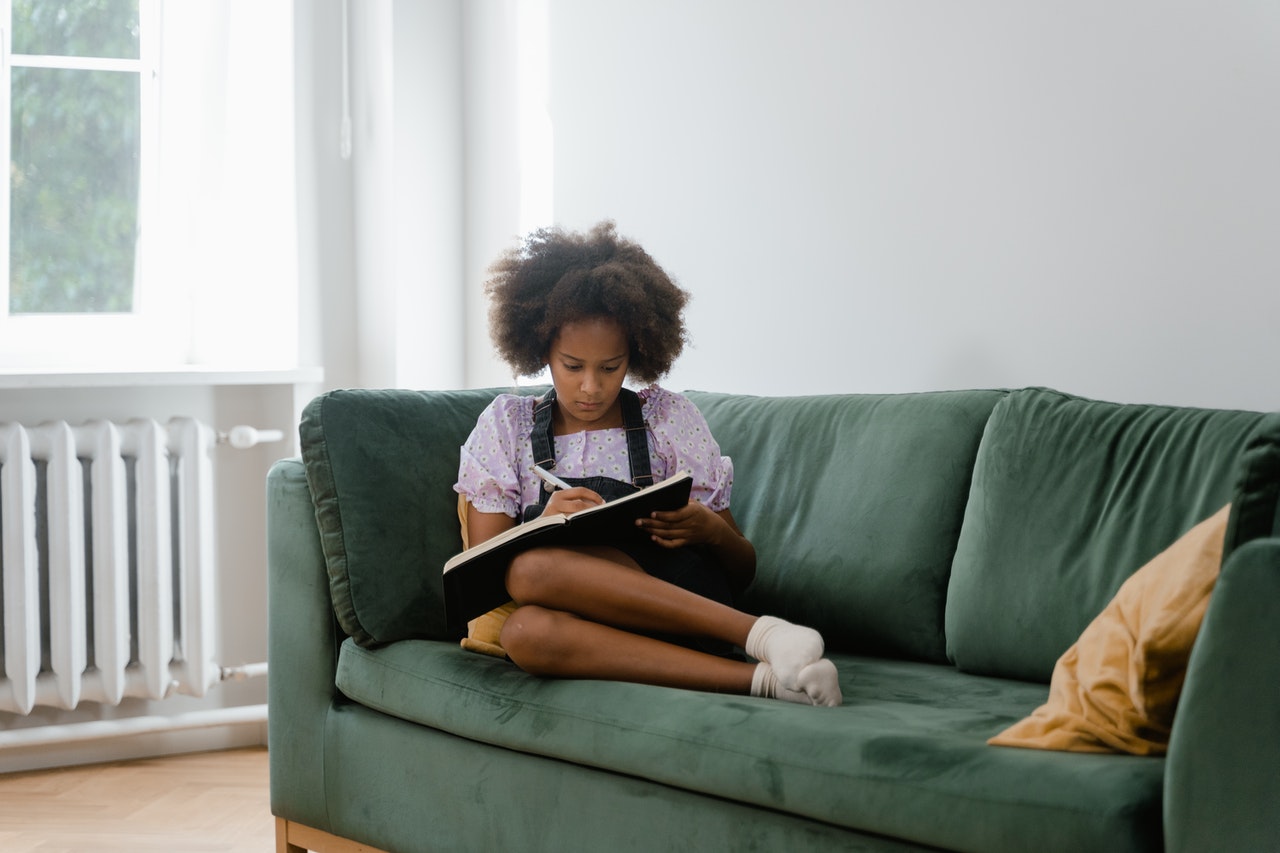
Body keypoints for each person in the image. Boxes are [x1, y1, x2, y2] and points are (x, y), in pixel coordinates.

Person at [453, 221, 841, 707]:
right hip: (592, 632)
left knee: (531, 571)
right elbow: (481, 577)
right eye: (573, 366)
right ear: (541, 351)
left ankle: (764, 636)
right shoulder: (508, 426)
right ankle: (770, 682)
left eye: (610, 367)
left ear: (635, 352)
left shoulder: (668, 419)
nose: (591, 387)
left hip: (682, 608)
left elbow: (742, 570)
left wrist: (710, 530)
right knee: (523, 631)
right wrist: (543, 524)